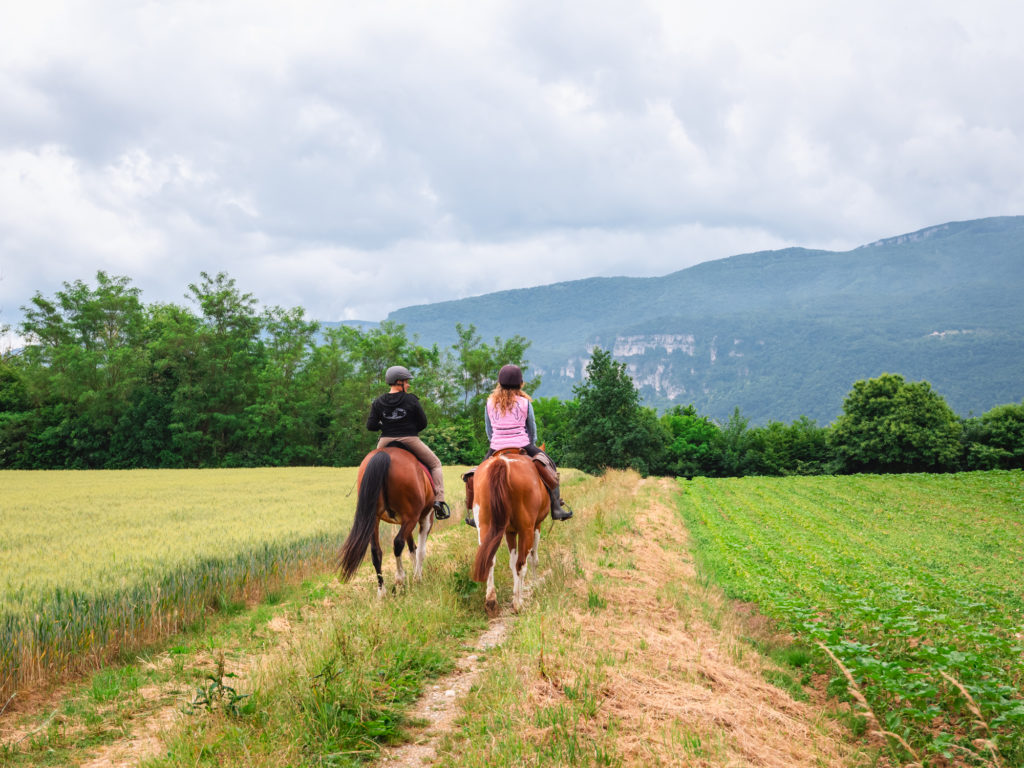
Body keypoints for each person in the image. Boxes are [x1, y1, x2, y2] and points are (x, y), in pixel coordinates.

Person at [463, 364, 573, 527]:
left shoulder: (489, 403)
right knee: (550, 465)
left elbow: (489, 430)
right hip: (523, 444)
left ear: (499, 383)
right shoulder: (525, 403)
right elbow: (532, 428)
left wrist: (496, 442)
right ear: (520, 383)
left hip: (496, 446)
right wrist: (531, 445)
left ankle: (475, 513)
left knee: (476, 474)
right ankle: (556, 508)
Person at [366, 365, 450, 520]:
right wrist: (410, 429)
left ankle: (367, 500)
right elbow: (423, 423)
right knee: (435, 464)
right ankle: (439, 501)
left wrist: (384, 426)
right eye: (406, 381)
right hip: (410, 439)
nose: (408, 384)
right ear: (399, 382)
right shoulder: (411, 399)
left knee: (369, 467)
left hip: (385, 440)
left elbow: (370, 426)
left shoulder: (378, 402)